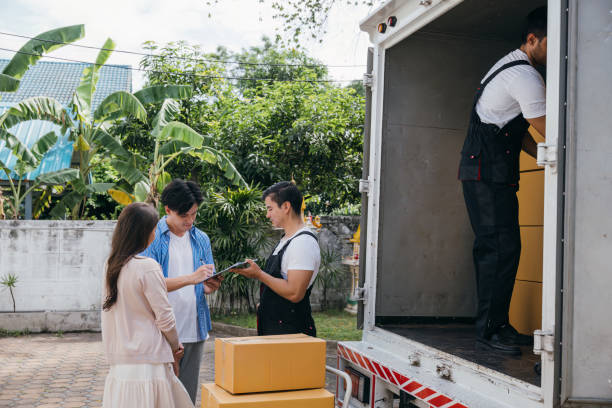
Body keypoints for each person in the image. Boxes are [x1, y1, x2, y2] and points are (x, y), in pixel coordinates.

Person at [458, 7, 547, 355]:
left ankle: (498, 326)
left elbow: (517, 130)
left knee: (501, 248)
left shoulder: (508, 66)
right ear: (532, 40)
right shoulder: (524, 75)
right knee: (499, 249)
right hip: (487, 174)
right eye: (551, 43)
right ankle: (489, 332)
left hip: (487, 171)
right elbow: (546, 127)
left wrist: (543, 156)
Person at [101, 202, 192, 408]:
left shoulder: (110, 264)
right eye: (154, 228)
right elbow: (165, 317)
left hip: (121, 363)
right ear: (145, 232)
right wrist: (175, 346)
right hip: (149, 362)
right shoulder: (147, 267)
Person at [142, 179, 222, 403]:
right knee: (160, 395)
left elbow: (203, 283)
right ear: (168, 210)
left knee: (186, 396)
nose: (190, 220)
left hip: (195, 327)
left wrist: (209, 285)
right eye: (184, 215)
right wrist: (191, 278)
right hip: (161, 330)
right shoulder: (152, 237)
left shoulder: (201, 238)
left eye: (194, 214)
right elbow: (148, 285)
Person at [233, 181, 321, 336]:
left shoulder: (303, 243)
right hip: (275, 329)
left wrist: (259, 274)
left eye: (270, 209)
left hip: (291, 333)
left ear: (286, 207)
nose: (267, 215)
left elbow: (294, 293)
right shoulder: (286, 239)